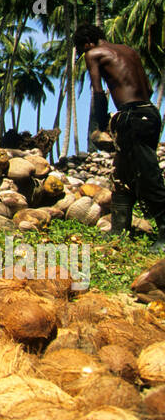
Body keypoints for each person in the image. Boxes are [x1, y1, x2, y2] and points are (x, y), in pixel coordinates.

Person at [74, 21, 165, 251]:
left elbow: (97, 92)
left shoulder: (93, 53)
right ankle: (119, 229)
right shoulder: (128, 51)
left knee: (148, 177)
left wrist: (99, 126)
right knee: (123, 173)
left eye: (83, 48)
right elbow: (149, 88)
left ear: (87, 43)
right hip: (150, 114)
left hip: (133, 118)